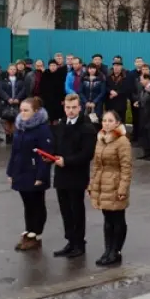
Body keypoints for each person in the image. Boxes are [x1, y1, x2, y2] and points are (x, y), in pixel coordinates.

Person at [51, 93, 98, 258]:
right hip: (61, 175)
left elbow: (87, 154)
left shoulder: (86, 127)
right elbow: (57, 145)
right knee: (65, 210)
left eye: (73, 108)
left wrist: (67, 161)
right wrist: (51, 156)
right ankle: (70, 241)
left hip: (77, 175)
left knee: (76, 209)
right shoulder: (61, 124)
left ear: (80, 107)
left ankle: (79, 243)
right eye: (67, 108)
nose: (70, 111)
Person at [7, 97, 54, 251]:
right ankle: (29, 230)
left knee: (37, 204)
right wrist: (10, 171)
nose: (23, 113)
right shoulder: (20, 126)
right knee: (27, 203)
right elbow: (15, 151)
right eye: (21, 110)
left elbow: (46, 155)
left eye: (26, 110)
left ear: (36, 112)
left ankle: (36, 234)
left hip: (35, 172)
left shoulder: (42, 129)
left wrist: (41, 176)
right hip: (21, 170)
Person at [87, 110, 133, 266]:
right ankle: (107, 250)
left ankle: (116, 251)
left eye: (110, 120)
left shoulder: (122, 141)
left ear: (117, 123)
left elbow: (126, 168)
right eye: (104, 120)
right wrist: (92, 184)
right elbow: (96, 166)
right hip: (102, 184)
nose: (106, 123)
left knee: (118, 219)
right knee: (107, 219)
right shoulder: (100, 139)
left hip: (115, 183)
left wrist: (122, 189)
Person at [0, 64, 28, 142]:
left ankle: (14, 136)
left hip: (17, 102)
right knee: (7, 119)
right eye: (11, 69)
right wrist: (7, 98)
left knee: (16, 119)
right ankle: (8, 135)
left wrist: (18, 98)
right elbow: (0, 90)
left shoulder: (20, 80)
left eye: (14, 69)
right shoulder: (3, 79)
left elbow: (23, 89)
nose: (12, 71)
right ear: (8, 70)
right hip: (6, 102)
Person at [104, 61, 132, 126]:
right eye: (115, 66)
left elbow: (127, 88)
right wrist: (110, 91)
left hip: (121, 103)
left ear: (121, 67)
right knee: (110, 121)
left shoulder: (125, 77)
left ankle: (121, 135)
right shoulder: (108, 77)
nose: (116, 67)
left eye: (118, 66)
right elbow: (105, 86)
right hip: (110, 103)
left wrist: (117, 93)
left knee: (120, 122)